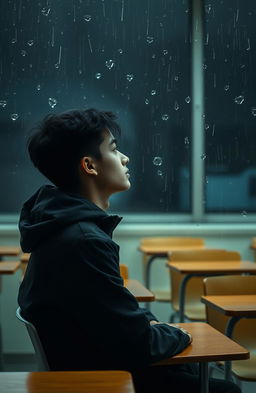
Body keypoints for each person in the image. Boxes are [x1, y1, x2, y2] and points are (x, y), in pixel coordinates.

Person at [18, 108, 241, 393]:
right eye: (113, 149)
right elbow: (137, 342)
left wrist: (156, 329)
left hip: (96, 365)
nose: (125, 158)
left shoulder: (65, 230)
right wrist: (178, 334)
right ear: (89, 165)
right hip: (106, 379)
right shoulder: (83, 241)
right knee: (225, 389)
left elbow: (119, 315)